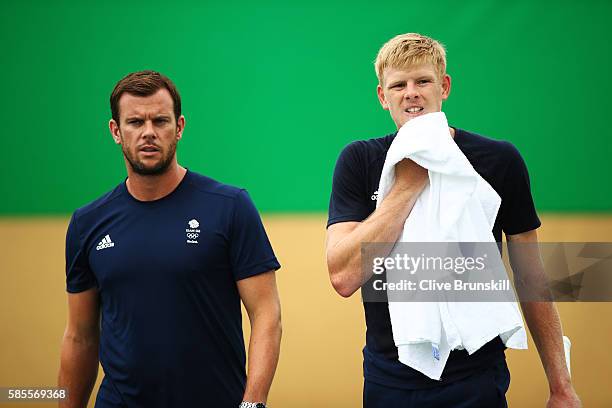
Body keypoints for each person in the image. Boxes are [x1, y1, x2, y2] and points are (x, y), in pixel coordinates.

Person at [325, 33, 581, 407]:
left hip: (476, 376)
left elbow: (532, 277)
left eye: (423, 81)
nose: (411, 92)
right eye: (398, 84)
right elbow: (343, 277)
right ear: (383, 96)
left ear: (443, 86)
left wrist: (561, 385)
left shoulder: (499, 160)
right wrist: (408, 185)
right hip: (389, 378)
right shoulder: (359, 160)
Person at [58, 70, 281, 408]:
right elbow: (80, 335)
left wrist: (253, 402)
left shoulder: (230, 207)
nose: (148, 132)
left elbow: (267, 315)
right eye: (135, 122)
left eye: (160, 121)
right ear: (115, 132)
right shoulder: (87, 223)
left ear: (179, 127)